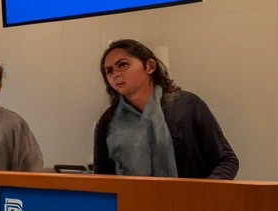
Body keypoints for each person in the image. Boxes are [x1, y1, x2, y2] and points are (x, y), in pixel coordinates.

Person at [92, 39, 238, 180]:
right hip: (130, 203)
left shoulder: (186, 105)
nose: (115, 74)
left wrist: (201, 195)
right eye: (109, 71)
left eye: (123, 65)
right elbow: (101, 177)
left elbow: (227, 160)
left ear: (150, 66)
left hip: (188, 201)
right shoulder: (108, 120)